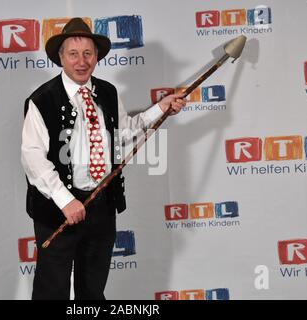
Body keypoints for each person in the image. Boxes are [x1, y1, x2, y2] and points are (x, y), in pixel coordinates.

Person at [21, 17, 186, 300]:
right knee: (51, 290)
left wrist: (161, 108)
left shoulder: (107, 92)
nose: (81, 61)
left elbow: (123, 134)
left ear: (96, 56)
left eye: (88, 53)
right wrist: (65, 200)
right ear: (60, 57)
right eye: (73, 54)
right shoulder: (41, 99)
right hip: (57, 209)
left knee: (93, 289)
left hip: (101, 208)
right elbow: (33, 158)